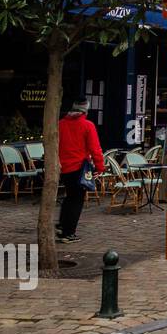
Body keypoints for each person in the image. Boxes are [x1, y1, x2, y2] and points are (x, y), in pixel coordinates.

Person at [57, 100, 103, 242]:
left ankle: (62, 226)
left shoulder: (60, 124)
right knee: (77, 200)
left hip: (63, 167)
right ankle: (68, 233)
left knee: (69, 196)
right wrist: (100, 166)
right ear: (85, 112)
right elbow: (95, 148)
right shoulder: (87, 125)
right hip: (79, 167)